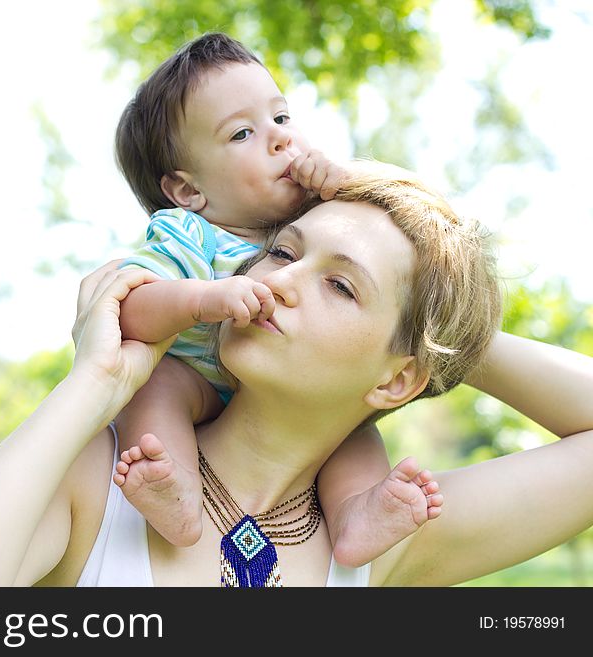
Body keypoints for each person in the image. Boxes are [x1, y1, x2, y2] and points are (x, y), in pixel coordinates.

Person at [0, 169, 593, 587]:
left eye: (341, 287)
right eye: (282, 252)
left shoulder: (384, 539)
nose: (279, 282)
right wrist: (94, 381)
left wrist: (451, 325)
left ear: (397, 381)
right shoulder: (104, 480)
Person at [111, 32, 432, 567]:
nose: (280, 140)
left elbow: (377, 245)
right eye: (242, 133)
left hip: (287, 404)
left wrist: (338, 183)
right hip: (200, 382)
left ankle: (356, 514)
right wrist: (204, 300)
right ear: (189, 191)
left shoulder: (307, 218)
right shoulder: (189, 234)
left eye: (281, 119)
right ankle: (178, 490)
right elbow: (130, 310)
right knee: (157, 385)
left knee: (354, 429)